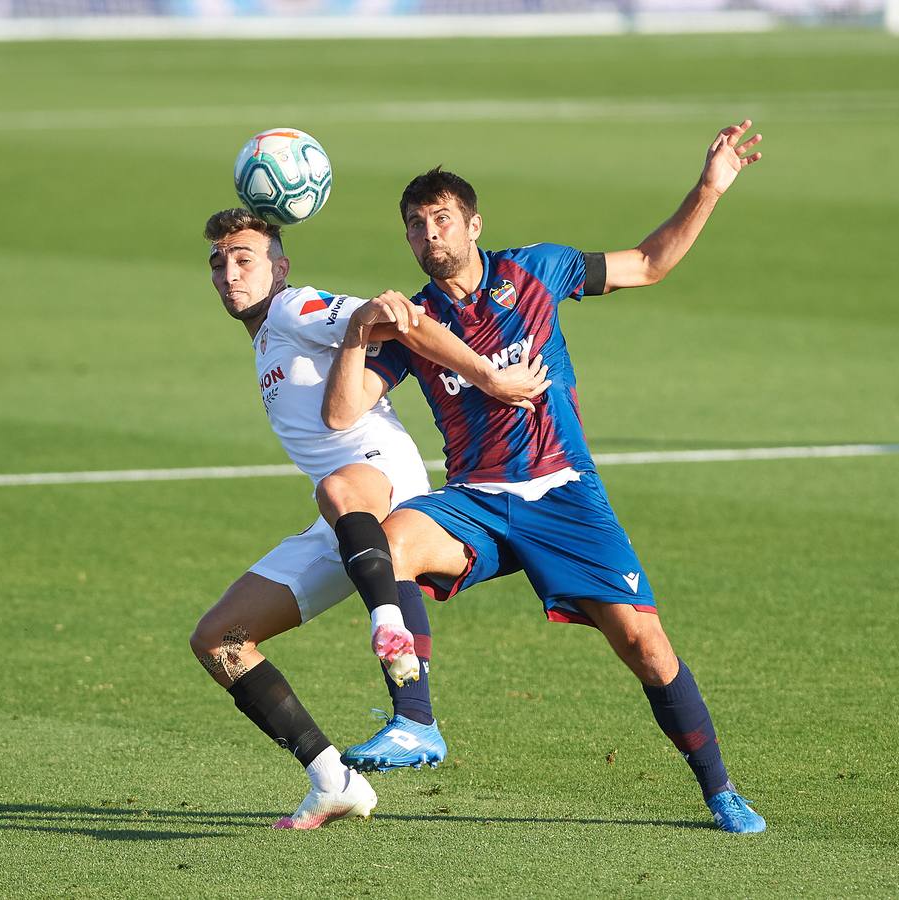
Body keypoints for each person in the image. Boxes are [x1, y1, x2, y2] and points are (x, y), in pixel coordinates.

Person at [323, 121, 769, 833]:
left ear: (473, 224)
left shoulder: (538, 269)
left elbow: (649, 264)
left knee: (646, 649)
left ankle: (718, 789)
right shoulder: (412, 323)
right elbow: (342, 410)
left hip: (564, 493)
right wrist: (355, 334)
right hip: (476, 502)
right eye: (414, 225)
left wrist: (708, 188)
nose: (429, 234)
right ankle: (415, 721)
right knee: (386, 546)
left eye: (441, 218)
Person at [190, 207, 547, 830]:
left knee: (335, 487)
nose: (229, 273)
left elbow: (397, 318)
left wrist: (489, 376)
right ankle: (332, 780)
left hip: (378, 476)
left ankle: (389, 623)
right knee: (219, 640)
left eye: (244, 259)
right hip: (343, 520)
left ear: (280, 265)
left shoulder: (290, 306)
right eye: (219, 263)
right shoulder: (265, 337)